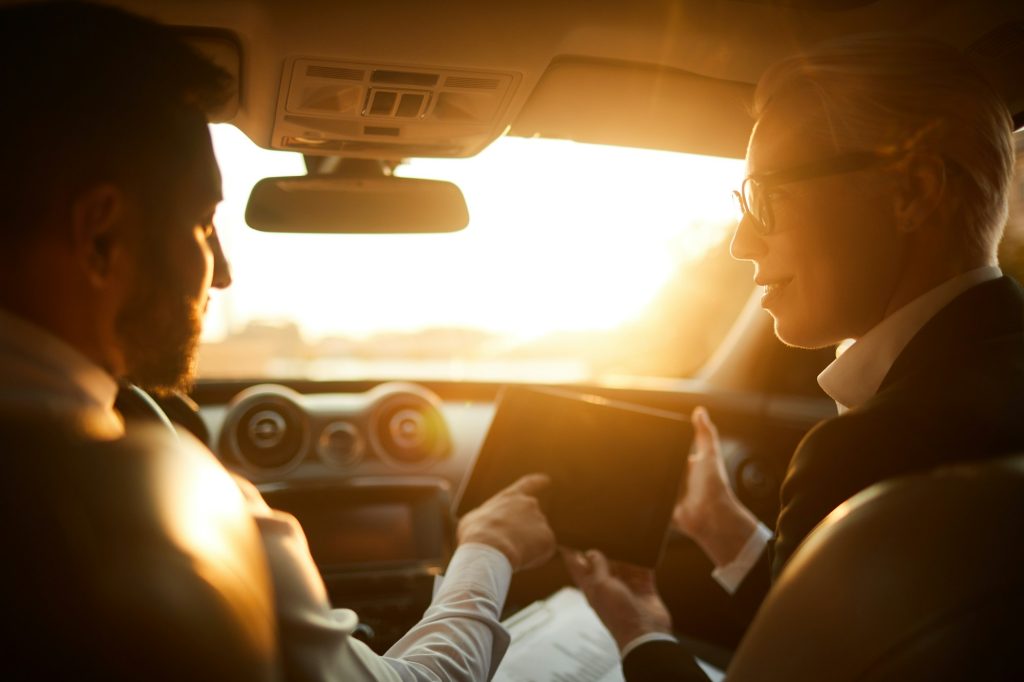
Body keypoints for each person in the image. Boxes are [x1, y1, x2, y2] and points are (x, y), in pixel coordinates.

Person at [0, 3, 556, 680]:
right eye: (205, 225)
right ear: (100, 238)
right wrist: (487, 547)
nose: (224, 274)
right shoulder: (199, 518)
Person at [566, 34, 1023, 680]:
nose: (743, 244)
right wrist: (723, 528)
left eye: (767, 198)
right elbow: (863, 638)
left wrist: (641, 633)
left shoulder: (867, 452)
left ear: (914, 192)